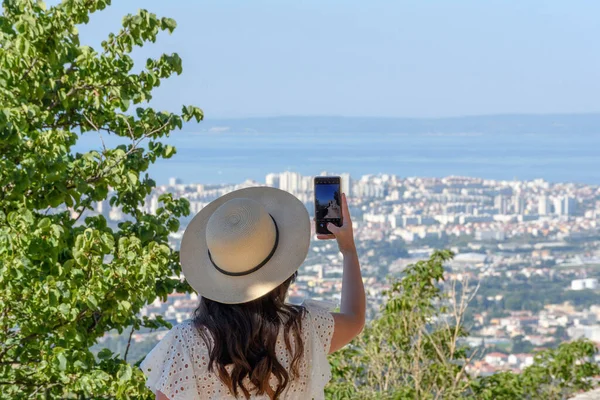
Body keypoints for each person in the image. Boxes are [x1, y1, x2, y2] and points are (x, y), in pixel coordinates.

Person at [140, 187, 365, 399]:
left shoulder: (186, 343)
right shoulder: (303, 330)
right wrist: (348, 250)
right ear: (283, 274)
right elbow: (354, 319)